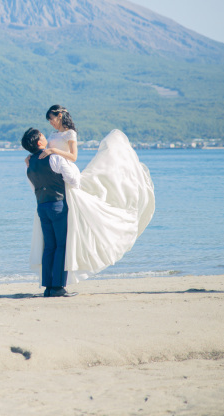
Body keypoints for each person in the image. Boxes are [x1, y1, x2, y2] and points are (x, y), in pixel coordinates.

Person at [26, 107, 156, 288]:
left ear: (60, 115)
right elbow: (44, 158)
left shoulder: (70, 133)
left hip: (62, 180)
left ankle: (53, 285)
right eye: (48, 120)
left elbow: (73, 156)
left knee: (57, 242)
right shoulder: (52, 136)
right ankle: (56, 285)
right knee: (59, 243)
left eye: (52, 118)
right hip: (58, 185)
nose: (50, 122)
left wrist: (54, 152)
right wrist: (36, 157)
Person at [21, 127, 81, 297]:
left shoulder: (29, 163)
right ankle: (58, 287)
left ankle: (48, 287)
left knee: (49, 246)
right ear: (40, 142)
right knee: (62, 245)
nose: (44, 135)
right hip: (58, 205)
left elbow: (34, 187)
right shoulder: (54, 158)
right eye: (41, 135)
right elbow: (74, 180)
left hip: (42, 206)